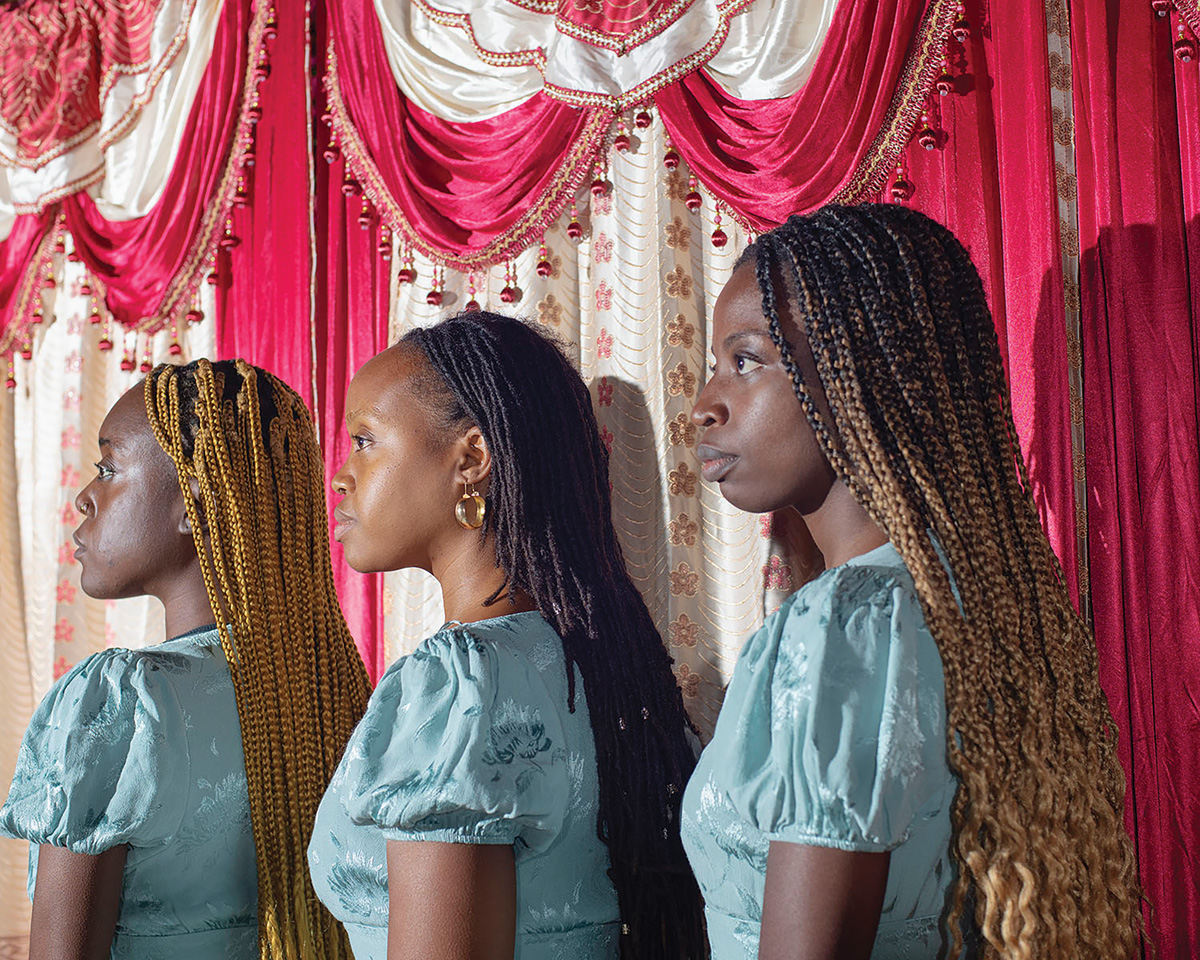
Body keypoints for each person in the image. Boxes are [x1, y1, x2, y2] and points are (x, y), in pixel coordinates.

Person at [681, 204, 1144, 960]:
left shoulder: (846, 625)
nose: (704, 405)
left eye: (748, 360)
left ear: (859, 372)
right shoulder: (962, 603)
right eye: (713, 365)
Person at [308, 312, 706, 960]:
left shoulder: (455, 690)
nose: (341, 475)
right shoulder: (606, 673)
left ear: (470, 460)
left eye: (364, 441)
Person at [0, 359, 372, 960]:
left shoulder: (122, 701)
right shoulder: (331, 694)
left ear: (194, 501)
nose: (83, 498)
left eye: (107, 468)